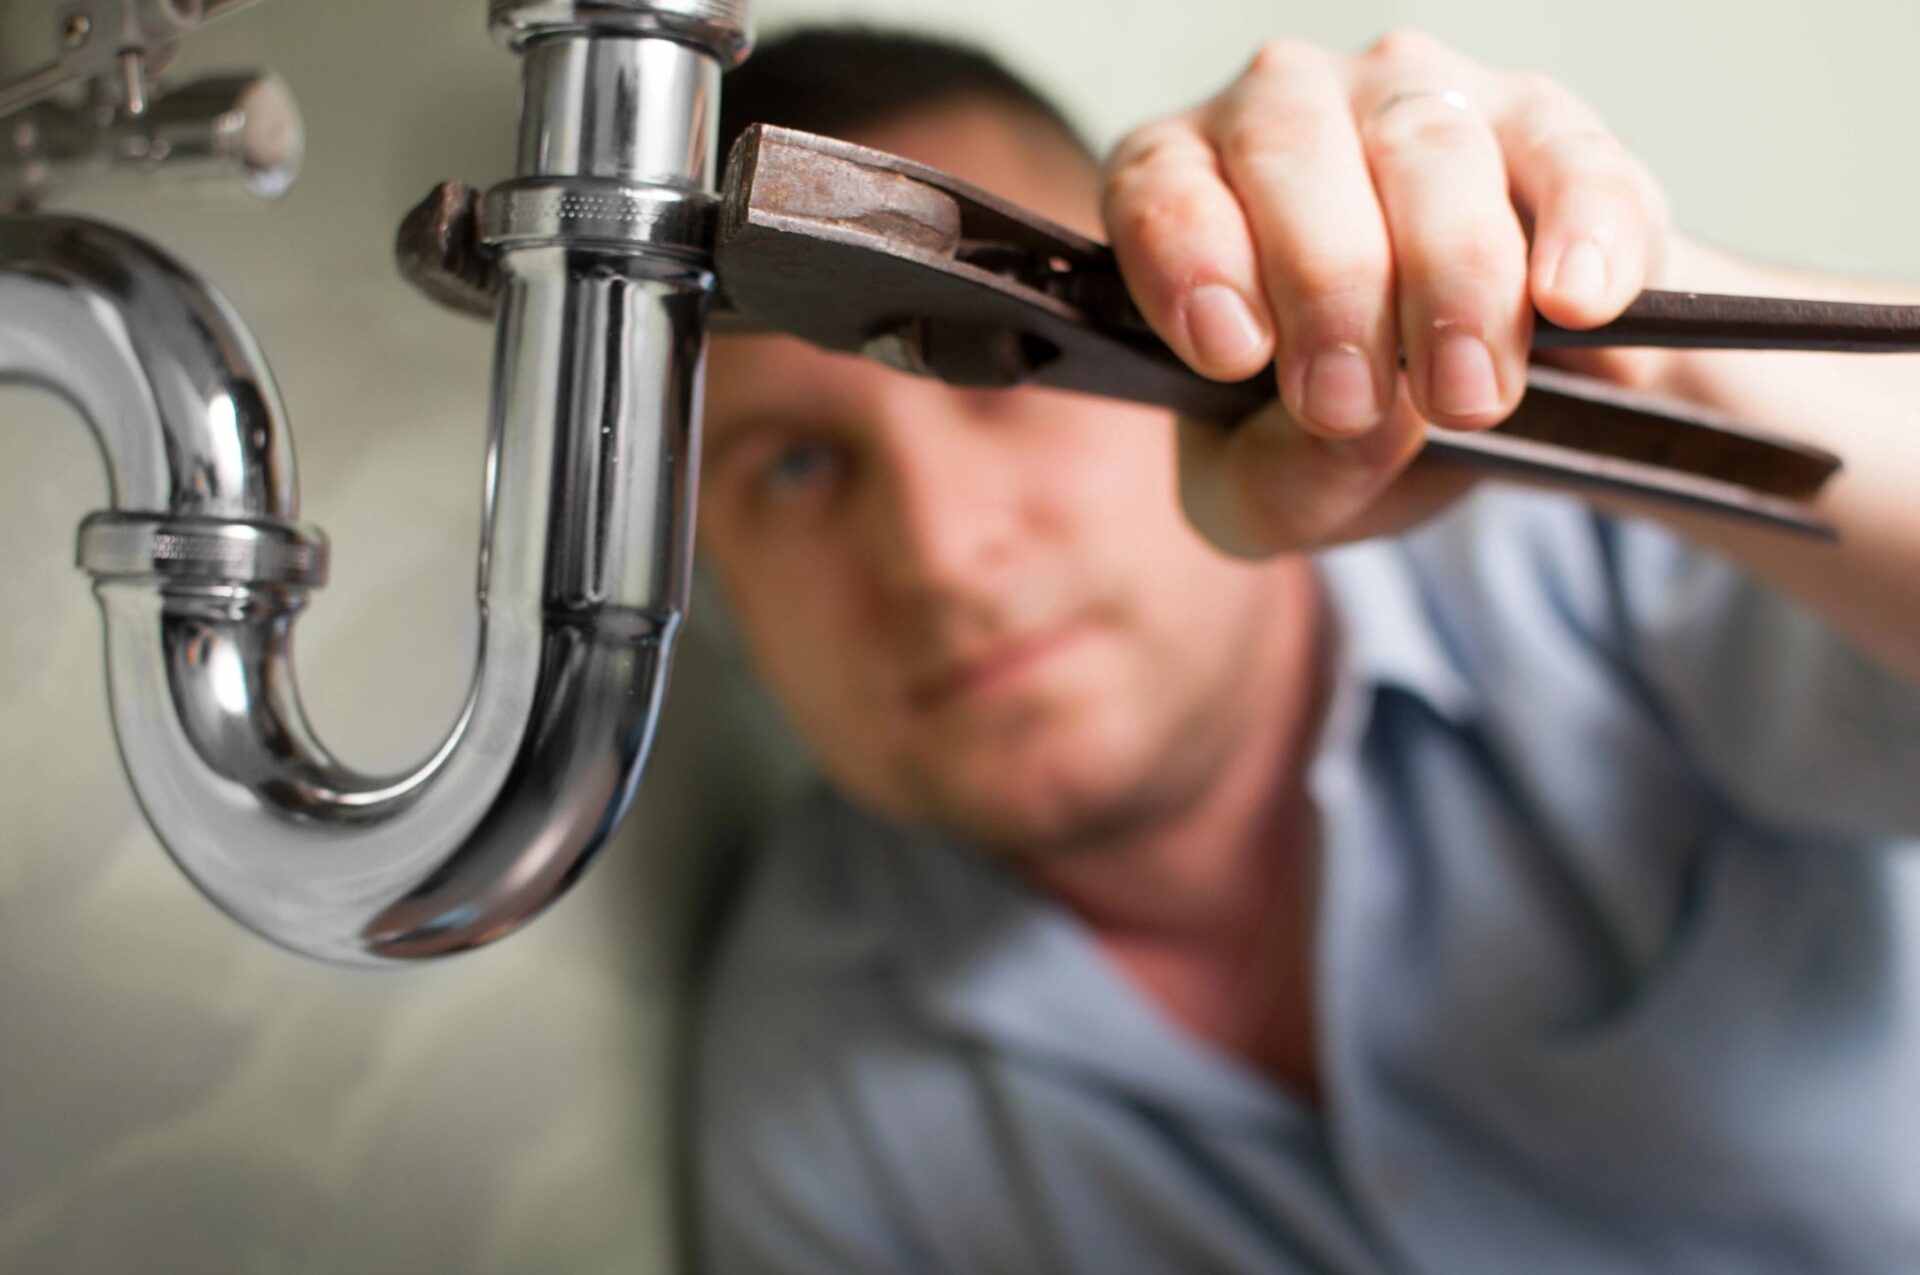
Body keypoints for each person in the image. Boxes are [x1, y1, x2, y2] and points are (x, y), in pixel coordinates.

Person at [687, 24, 1920, 1274]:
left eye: (1011, 367)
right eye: (792, 468)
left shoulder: (1611, 564)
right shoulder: (817, 1135)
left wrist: (1640, 363)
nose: (941, 557)